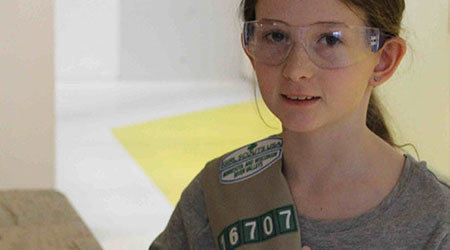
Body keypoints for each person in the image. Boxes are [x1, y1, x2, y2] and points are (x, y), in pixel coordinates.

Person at [149, 0, 450, 249]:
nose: (296, 70)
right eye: (276, 36)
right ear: (249, 47)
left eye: (330, 39)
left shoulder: (437, 221)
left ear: (384, 59)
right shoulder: (215, 194)